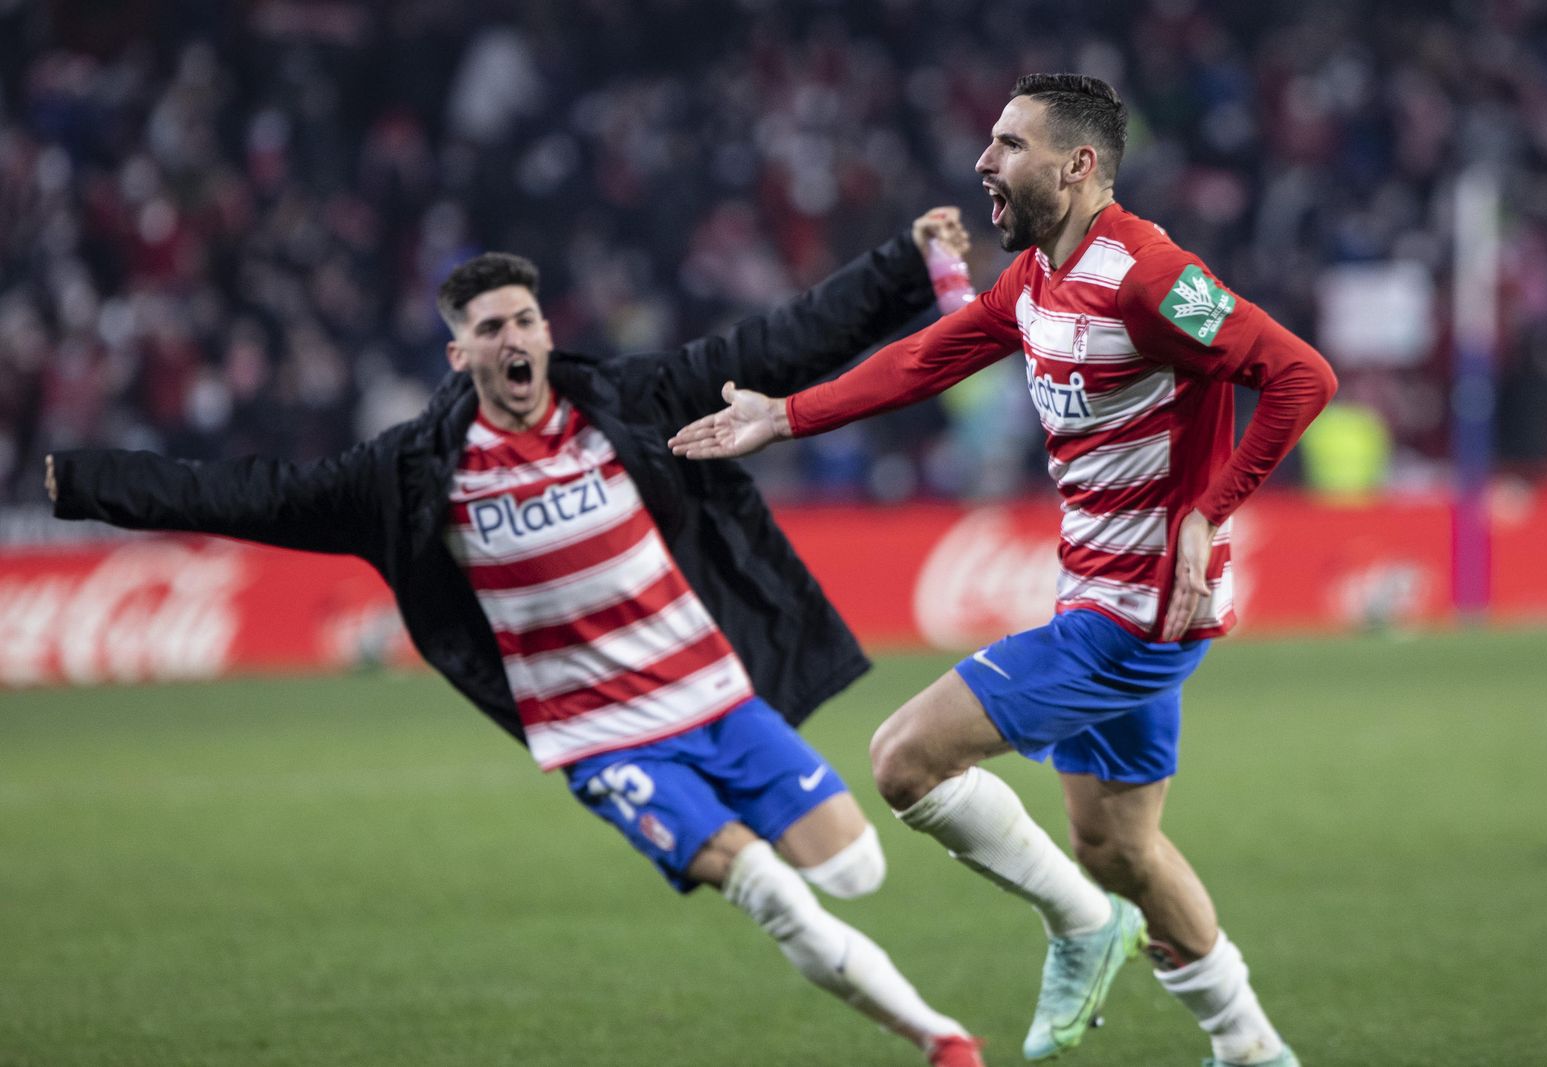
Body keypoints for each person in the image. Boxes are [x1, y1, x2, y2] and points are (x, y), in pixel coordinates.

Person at [44, 209, 988, 1067]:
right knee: (774, 896)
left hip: (716, 697)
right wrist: (82, 483)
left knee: (856, 868)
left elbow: (775, 344)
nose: (514, 339)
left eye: (525, 320)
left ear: (546, 329)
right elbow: (249, 493)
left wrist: (902, 264)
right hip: (603, 737)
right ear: (460, 356)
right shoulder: (412, 473)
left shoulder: (620, 404)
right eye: (490, 328)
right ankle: (941, 1041)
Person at [670, 73, 1338, 1067]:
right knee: (1119, 847)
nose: (983, 160)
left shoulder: (1151, 276)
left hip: (1142, 608)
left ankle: (1081, 925)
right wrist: (785, 414)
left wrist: (1207, 508)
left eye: (1008, 144)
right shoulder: (1037, 277)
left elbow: (1300, 375)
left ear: (1077, 166)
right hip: (1095, 588)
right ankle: (1248, 1042)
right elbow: (930, 356)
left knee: (904, 758)